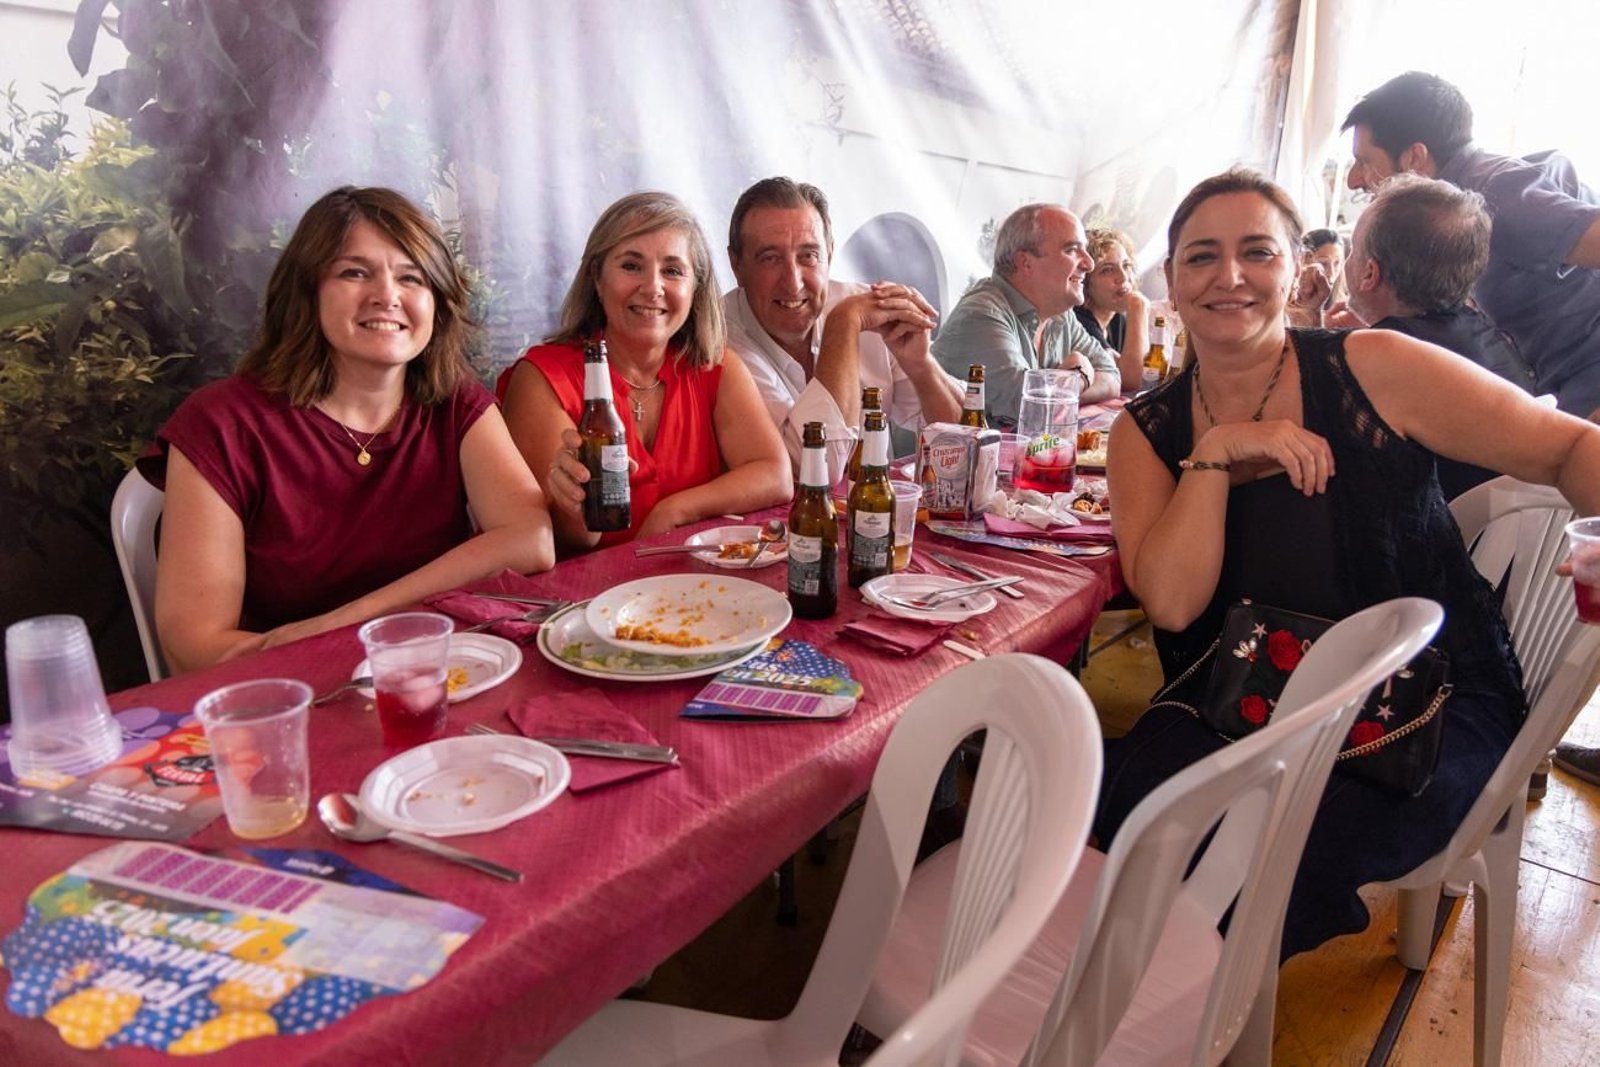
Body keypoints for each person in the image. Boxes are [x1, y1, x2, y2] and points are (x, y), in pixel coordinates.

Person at [1098, 168, 1600, 959]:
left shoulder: (1374, 366)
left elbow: (1571, 446)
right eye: (1201, 257)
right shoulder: (1147, 432)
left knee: (1242, 867)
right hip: (1241, 698)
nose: (1229, 276)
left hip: (1422, 704)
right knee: (1112, 828)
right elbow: (1171, 604)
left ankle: (1171, 1023)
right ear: (1171, 279)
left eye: (1256, 252)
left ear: (1298, 269)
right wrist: (1217, 456)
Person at [140, 186, 556, 674]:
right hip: (287, 690)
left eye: (412, 278)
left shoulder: (453, 401)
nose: (387, 295)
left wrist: (348, 622)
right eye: (354, 272)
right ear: (306, 292)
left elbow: (531, 539)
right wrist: (338, 641)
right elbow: (195, 647)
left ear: (437, 302)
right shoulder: (221, 424)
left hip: (433, 671)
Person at [499, 191, 791, 554]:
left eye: (672, 270)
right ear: (596, 277)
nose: (653, 288)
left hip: (689, 590)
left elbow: (775, 476)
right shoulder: (542, 379)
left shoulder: (715, 366)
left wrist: (675, 510)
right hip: (585, 598)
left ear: (695, 287)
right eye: (631, 266)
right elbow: (561, 543)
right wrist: (575, 507)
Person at [1342, 71, 1600, 419]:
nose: (1354, 179)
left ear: (1414, 158)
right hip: (1559, 384)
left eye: (1365, 161)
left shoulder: (1495, 194)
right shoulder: (1443, 213)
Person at [722, 177, 962, 483]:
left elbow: (965, 441)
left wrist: (921, 365)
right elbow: (815, 470)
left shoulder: (865, 306)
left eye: (808, 256)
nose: (793, 282)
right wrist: (844, 326)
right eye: (770, 258)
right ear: (736, 265)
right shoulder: (719, 340)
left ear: (830, 255)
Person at [1329, 173, 1538, 500]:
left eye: (1354, 248)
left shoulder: (1388, 358)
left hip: (1433, 540)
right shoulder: (1483, 333)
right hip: (1501, 542)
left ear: (1370, 272)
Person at [932, 203, 1122, 428]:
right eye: (1072, 250)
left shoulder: (1062, 315)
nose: (1089, 264)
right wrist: (1078, 378)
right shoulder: (982, 313)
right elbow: (1025, 408)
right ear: (1025, 263)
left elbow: (1111, 376)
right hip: (939, 462)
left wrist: (1065, 387)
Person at [1074, 228, 1152, 392]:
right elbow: (1131, 381)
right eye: (1107, 270)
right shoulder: (1078, 321)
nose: (1124, 277)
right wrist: (1138, 307)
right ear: (1086, 281)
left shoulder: (1117, 321)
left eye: (1126, 265)